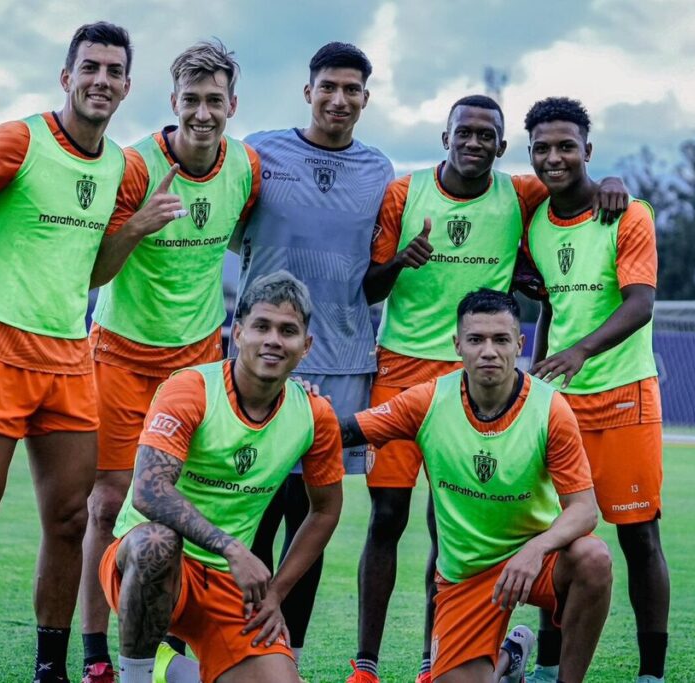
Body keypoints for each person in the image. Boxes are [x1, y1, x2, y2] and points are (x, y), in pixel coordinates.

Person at [352, 94, 627, 683]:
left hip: (485, 370)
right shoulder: (405, 193)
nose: (474, 143)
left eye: (486, 136)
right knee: (386, 516)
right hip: (405, 367)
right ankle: (366, 664)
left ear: (503, 147)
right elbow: (369, 288)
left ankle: (435, 657)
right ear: (444, 136)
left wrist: (612, 179)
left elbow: (570, 182)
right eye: (464, 133)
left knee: (444, 522)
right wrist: (403, 260)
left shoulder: (519, 192)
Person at [0, 22, 143, 683]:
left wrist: (134, 230)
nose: (102, 79)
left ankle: (49, 668)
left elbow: (92, 273)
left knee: (72, 519)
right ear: (66, 77)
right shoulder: (19, 138)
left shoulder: (124, 167)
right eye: (90, 67)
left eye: (114, 70)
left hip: (70, 355)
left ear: (127, 86)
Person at [77, 39, 262, 683]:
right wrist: (135, 227)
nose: (203, 113)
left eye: (216, 101)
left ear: (233, 105)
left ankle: (170, 651)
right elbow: (93, 268)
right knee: (106, 503)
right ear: (172, 103)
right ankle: (96, 653)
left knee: (178, 508)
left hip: (194, 367)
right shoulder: (134, 168)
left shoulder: (246, 167)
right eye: (192, 100)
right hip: (121, 357)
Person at [339, 288, 612, 683]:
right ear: (458, 346)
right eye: (476, 339)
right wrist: (295, 408)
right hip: (466, 575)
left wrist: (535, 549)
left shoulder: (550, 408)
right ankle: (509, 659)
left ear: (519, 344)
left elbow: (585, 509)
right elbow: (349, 430)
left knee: (593, 559)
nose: (488, 351)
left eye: (501, 340)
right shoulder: (429, 400)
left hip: (535, 563)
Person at [232, 41, 394, 665]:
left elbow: (381, 265)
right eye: (328, 86)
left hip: (344, 359)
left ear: (365, 98)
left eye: (352, 89)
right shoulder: (260, 152)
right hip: (262, 355)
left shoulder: (380, 171)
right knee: (254, 510)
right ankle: (236, 645)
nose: (339, 98)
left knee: (311, 517)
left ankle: (287, 655)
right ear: (308, 91)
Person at [99, 271, 344, 683]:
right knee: (157, 540)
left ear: (306, 346)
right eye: (261, 326)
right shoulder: (192, 389)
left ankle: (174, 671)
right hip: (151, 564)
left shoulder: (315, 414)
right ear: (238, 333)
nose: (273, 340)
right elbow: (148, 491)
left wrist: (277, 593)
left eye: (288, 331)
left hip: (230, 583)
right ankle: (136, 676)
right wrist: (232, 547)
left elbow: (325, 511)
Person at [522, 97, 668, 683]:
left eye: (566, 146)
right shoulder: (532, 220)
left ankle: (650, 674)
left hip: (626, 397)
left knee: (638, 536)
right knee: (559, 540)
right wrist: (535, 377)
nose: (554, 158)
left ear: (589, 148)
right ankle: (545, 667)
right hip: (561, 406)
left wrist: (581, 351)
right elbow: (550, 312)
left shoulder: (628, 213)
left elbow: (641, 303)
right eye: (541, 148)